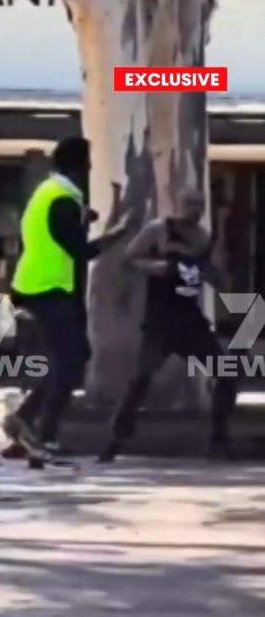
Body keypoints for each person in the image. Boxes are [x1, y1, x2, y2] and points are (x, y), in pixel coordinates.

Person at [3, 136, 128, 455]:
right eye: (87, 161)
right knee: (71, 360)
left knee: (72, 357)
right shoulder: (61, 199)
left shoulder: (50, 192)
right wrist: (120, 232)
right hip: (45, 288)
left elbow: (61, 228)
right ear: (78, 165)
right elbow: (81, 250)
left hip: (40, 287)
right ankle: (43, 433)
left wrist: (87, 216)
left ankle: (24, 419)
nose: (90, 167)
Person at [99, 189, 238, 463]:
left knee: (226, 373)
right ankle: (114, 441)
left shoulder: (203, 239)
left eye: (200, 205)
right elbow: (129, 259)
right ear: (180, 205)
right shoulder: (159, 230)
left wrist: (217, 267)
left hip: (191, 322)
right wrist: (157, 267)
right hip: (160, 322)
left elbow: (219, 280)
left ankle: (219, 440)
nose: (195, 210)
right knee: (140, 380)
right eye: (190, 204)